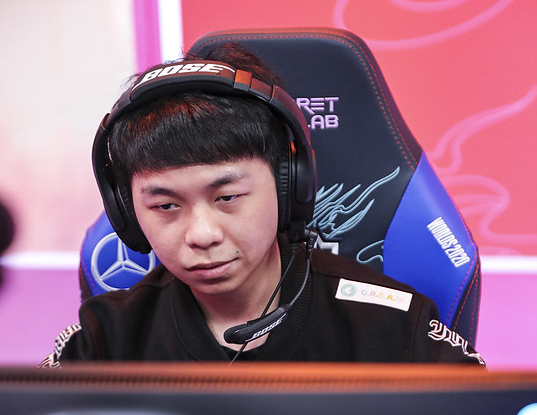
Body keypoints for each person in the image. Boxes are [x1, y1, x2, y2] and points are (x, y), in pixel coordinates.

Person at [40, 42, 484, 367]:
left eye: (228, 197)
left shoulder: (394, 329)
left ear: (288, 186)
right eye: (166, 207)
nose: (202, 235)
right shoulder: (104, 342)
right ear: (126, 211)